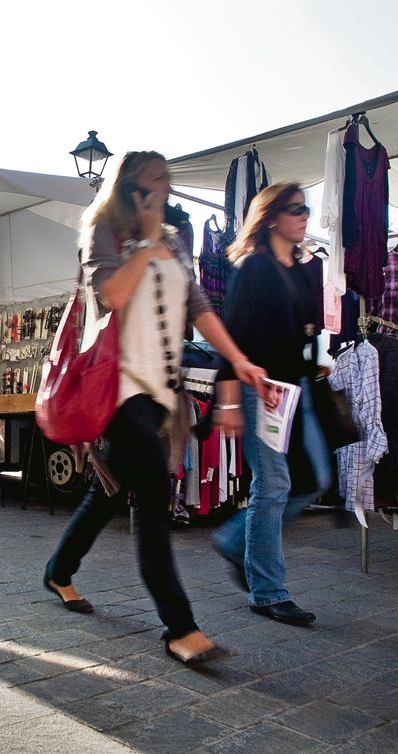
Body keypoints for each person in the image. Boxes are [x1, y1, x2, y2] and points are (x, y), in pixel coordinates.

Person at [42, 151, 267, 666]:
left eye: (168, 178)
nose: (167, 186)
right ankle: (179, 627)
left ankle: (59, 568)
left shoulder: (176, 241)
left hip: (164, 393)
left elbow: (199, 307)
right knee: (152, 500)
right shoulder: (103, 234)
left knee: (108, 491)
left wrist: (239, 361)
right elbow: (113, 295)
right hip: (119, 390)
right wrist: (144, 239)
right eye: (156, 179)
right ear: (130, 188)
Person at [212, 183, 332, 627]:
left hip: (297, 387)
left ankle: (233, 538)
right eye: (296, 210)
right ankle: (268, 592)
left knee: (313, 477)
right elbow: (234, 336)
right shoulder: (254, 268)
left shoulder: (301, 268)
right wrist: (228, 401)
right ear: (272, 216)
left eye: (306, 210)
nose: (304, 216)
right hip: (263, 389)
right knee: (275, 485)